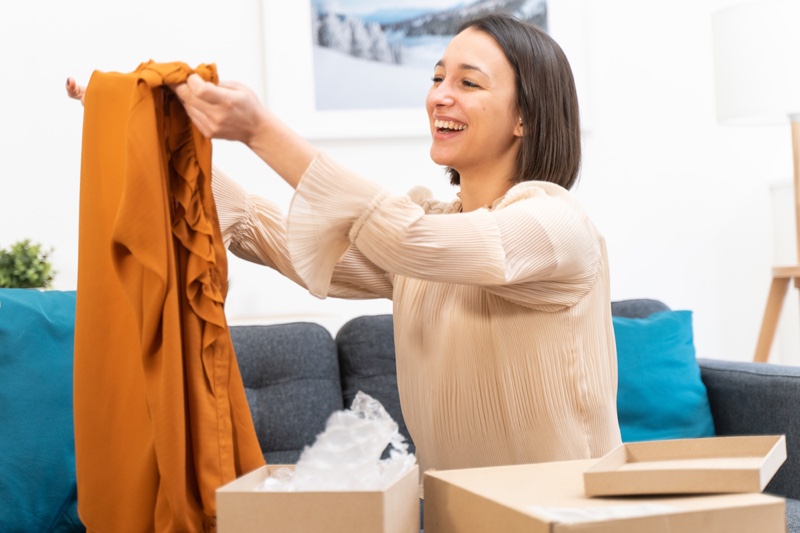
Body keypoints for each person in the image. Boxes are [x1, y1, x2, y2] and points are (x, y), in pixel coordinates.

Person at [68, 12, 622, 480]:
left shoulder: (555, 225)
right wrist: (150, 132)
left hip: (566, 518)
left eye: (468, 83)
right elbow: (296, 243)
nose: (439, 97)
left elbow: (412, 239)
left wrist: (261, 130)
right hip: (459, 517)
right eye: (436, 77)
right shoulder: (433, 231)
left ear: (525, 115)